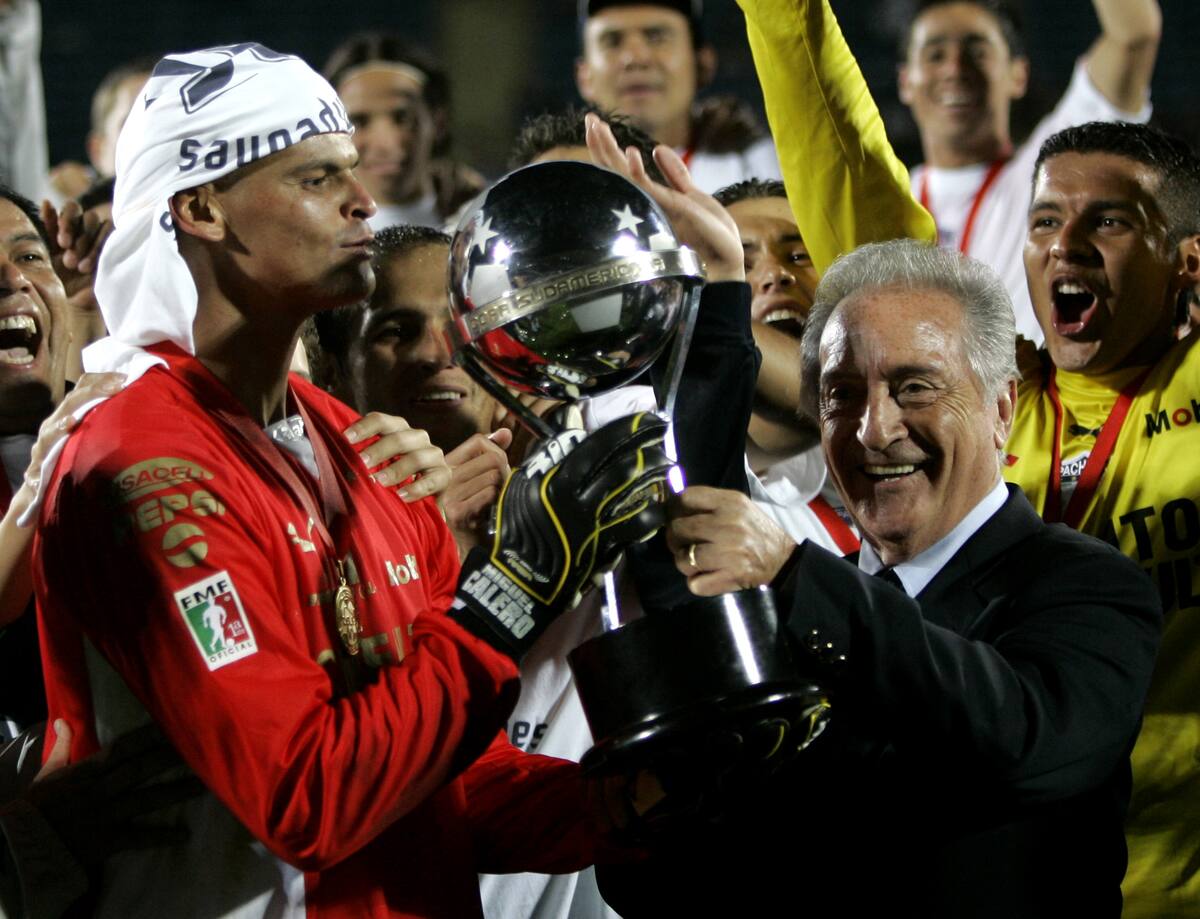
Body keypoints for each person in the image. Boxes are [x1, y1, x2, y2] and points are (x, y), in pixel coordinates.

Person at [31, 44, 670, 918]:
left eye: (353, 173)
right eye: (318, 178)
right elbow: (308, 793)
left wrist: (628, 803)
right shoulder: (140, 462)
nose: (363, 201)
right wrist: (512, 586)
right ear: (203, 208)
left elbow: (444, 769)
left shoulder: (357, 443)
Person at [604, 238, 1162, 917]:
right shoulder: (796, 602)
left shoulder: (1092, 586)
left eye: (915, 387)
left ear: (1001, 408)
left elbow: (1020, 741)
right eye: (842, 394)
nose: (873, 429)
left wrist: (793, 574)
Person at [1002, 121, 1200, 918]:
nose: (1066, 246)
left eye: (1109, 220)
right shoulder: (985, 399)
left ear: (1187, 262)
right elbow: (870, 229)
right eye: (1046, 220)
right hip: (1008, 882)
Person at [899, 0, 1159, 342]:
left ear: (1018, 75)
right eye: (935, 55)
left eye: (977, 52)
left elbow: (1134, 36)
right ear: (906, 82)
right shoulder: (883, 200)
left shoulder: (1056, 166)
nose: (955, 69)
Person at [575, 0, 781, 193]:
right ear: (584, 77)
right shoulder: (559, 177)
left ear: (703, 65)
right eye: (613, 42)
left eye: (656, 37)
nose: (635, 58)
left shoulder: (772, 171)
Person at [323, 33, 485, 230]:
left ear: (438, 123)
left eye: (403, 118)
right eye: (359, 121)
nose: (386, 143)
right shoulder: (309, 234)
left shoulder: (483, 218)